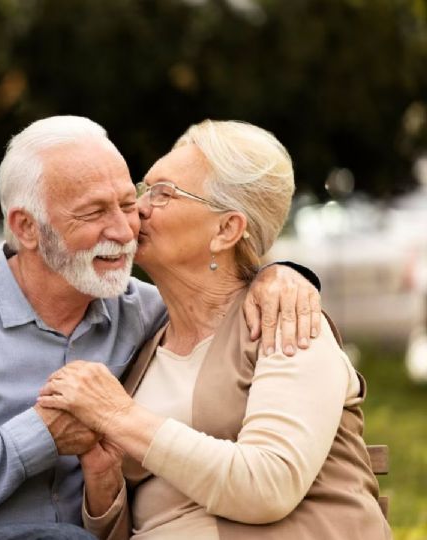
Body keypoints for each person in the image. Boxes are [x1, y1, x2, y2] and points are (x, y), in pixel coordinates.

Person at [0, 116, 323, 540]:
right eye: (95, 212)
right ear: (27, 228)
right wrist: (37, 437)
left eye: (126, 202)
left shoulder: (149, 315)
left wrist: (279, 275)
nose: (124, 229)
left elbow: (217, 285)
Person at [38, 120, 390, 539]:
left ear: (226, 230)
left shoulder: (285, 322)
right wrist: (103, 482)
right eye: (144, 188)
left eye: (164, 193)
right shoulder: (143, 340)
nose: (139, 208)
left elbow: (267, 486)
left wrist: (119, 416)